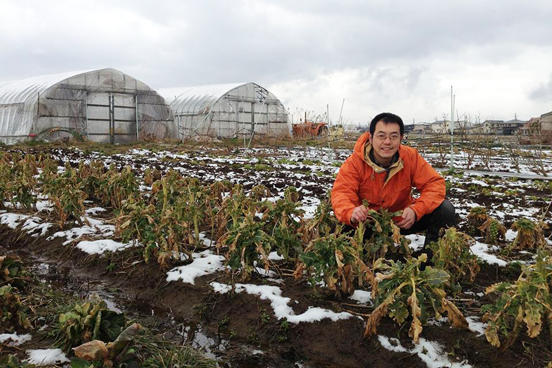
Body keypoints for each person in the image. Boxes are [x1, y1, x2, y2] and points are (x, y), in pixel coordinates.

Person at [331, 112, 457, 253]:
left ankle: (430, 261)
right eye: (381, 136)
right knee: (340, 222)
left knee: (445, 209)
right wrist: (351, 212)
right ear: (371, 138)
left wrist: (416, 211)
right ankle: (359, 258)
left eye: (393, 136)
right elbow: (342, 193)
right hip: (368, 222)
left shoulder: (410, 157)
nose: (387, 142)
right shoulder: (354, 163)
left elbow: (434, 184)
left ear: (401, 139)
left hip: (402, 220)